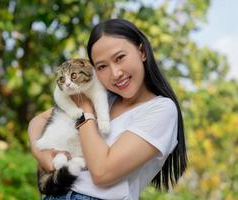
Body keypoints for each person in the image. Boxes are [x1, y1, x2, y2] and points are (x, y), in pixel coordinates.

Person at [28, 19, 187, 200]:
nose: (115, 73)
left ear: (142, 52)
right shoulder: (106, 96)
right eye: (102, 66)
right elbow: (37, 121)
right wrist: (43, 155)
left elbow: (102, 173)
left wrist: (85, 110)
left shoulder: (161, 110)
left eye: (120, 58)